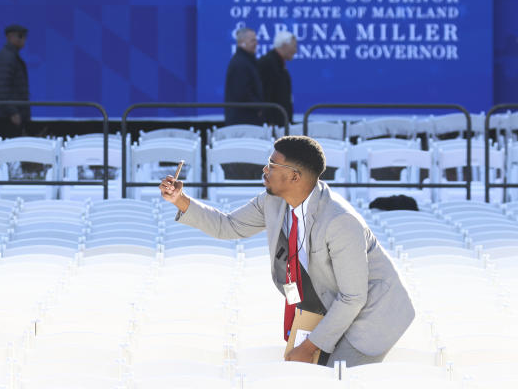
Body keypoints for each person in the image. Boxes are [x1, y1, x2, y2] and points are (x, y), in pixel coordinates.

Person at [159, 136, 415, 366]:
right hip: (328, 304)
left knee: (332, 386)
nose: (264, 169)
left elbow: (353, 298)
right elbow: (228, 226)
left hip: (370, 316)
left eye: (272, 165)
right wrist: (179, 200)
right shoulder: (272, 200)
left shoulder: (340, 221)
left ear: (294, 176)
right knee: (305, 379)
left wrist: (309, 346)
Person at [223, 27, 264, 125]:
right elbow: (242, 93)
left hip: (246, 119)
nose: (256, 43)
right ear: (242, 42)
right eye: (252, 40)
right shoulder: (240, 64)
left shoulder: (247, 61)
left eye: (256, 40)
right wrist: (258, 107)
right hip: (242, 122)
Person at [257, 31, 297, 127]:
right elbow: (265, 94)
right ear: (284, 45)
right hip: (272, 124)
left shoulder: (279, 63)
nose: (296, 51)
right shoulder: (267, 63)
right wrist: (269, 121)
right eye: (294, 46)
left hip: (280, 121)